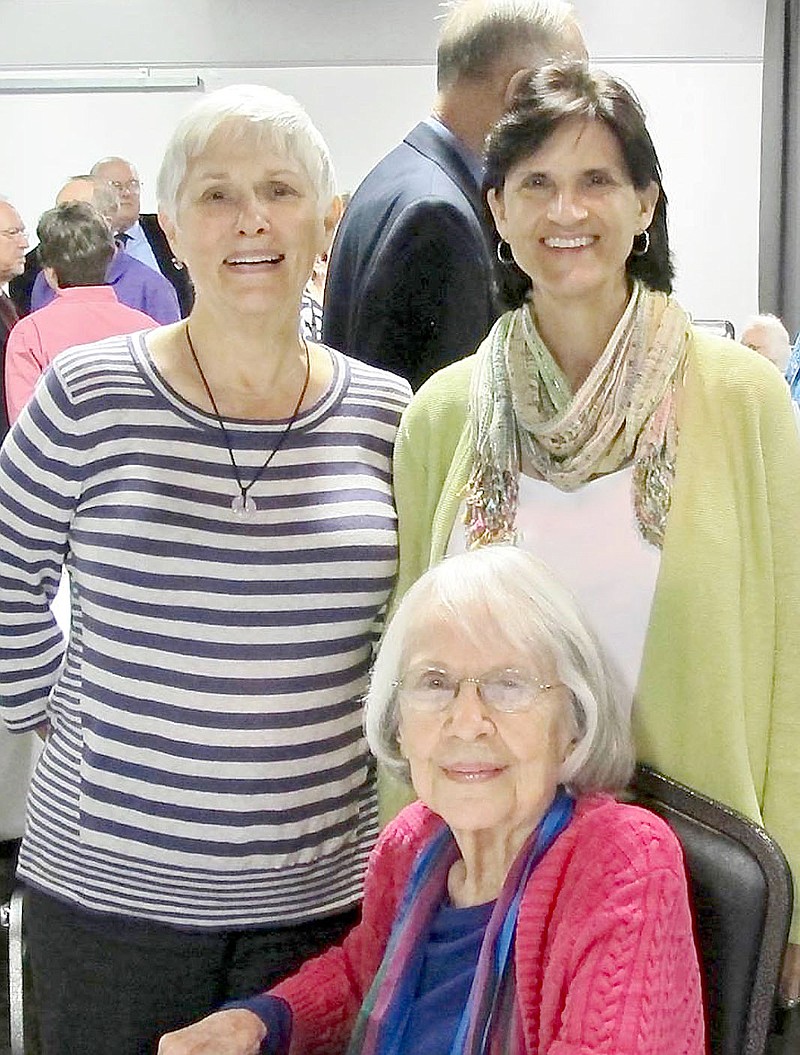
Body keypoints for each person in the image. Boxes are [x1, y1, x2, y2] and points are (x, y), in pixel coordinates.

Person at [0, 83, 410, 1055]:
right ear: (172, 228)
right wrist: (65, 716)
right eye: (216, 194)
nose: (251, 218)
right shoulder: (88, 395)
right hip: (104, 901)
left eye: (279, 188)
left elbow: (412, 634)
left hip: (319, 914)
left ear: (324, 221)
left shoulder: (388, 414)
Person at [390, 60, 800, 998]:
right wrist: (401, 870)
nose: (564, 209)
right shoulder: (444, 416)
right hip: (482, 883)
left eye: (597, 180)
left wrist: (794, 905)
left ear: (645, 204)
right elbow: (407, 669)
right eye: (535, 182)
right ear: (496, 210)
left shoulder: (741, 399)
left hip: (689, 880)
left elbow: (793, 660)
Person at [158, 546, 705, 1055]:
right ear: (398, 722)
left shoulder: (623, 860)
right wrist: (258, 1021)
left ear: (574, 719)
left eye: (509, 684)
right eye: (435, 684)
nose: (467, 721)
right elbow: (367, 973)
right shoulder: (415, 842)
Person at [322, 0, 585, 390]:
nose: (584, 115)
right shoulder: (439, 215)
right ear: (522, 92)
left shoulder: (401, 178)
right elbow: (452, 428)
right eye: (573, 91)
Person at [5, 200, 157, 422]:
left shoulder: (30, 334)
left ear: (49, 272)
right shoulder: (149, 331)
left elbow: (25, 430)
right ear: (109, 260)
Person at [28, 176, 181, 325]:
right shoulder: (45, 280)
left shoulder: (151, 288)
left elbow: (170, 350)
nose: (61, 223)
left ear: (105, 223)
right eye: (59, 212)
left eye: (75, 215)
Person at [91, 154, 195, 315]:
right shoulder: (81, 242)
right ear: (94, 193)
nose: (126, 192)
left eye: (132, 185)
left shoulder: (166, 229)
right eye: (116, 185)